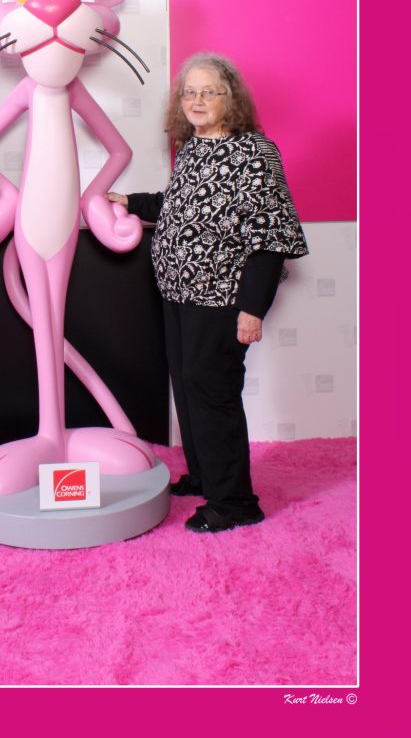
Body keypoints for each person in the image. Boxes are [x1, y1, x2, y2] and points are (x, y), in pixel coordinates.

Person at [108, 53, 308, 534]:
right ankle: (205, 474)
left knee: (213, 394)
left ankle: (235, 501)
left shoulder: (255, 154)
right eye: (189, 92)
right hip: (178, 292)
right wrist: (129, 201)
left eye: (208, 92)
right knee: (189, 386)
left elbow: (270, 238)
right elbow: (179, 206)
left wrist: (252, 309)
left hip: (221, 299)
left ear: (230, 98)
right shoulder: (194, 147)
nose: (196, 101)